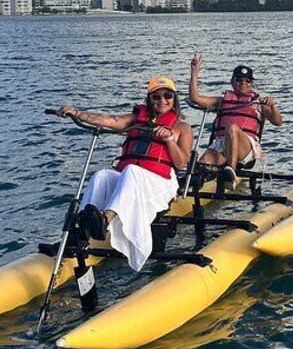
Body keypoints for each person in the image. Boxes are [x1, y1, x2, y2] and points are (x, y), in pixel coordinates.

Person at [57, 76, 192, 271]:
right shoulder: (136, 119)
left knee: (131, 171)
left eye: (167, 95)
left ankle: (106, 220)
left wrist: (170, 139)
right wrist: (77, 113)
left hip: (160, 183)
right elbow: (110, 121)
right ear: (149, 100)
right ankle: (82, 232)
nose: (162, 100)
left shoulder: (182, 127)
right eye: (156, 97)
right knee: (102, 175)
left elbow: (181, 163)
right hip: (133, 177)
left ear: (174, 98)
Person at [188, 53, 283, 190]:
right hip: (223, 145)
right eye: (239, 80)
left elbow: (278, 122)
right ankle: (190, 188)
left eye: (247, 81)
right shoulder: (221, 101)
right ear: (232, 82)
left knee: (232, 128)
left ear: (251, 83)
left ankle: (230, 173)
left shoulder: (258, 104)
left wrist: (272, 106)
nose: (243, 83)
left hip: (245, 149)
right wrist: (194, 72)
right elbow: (195, 98)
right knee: (201, 165)